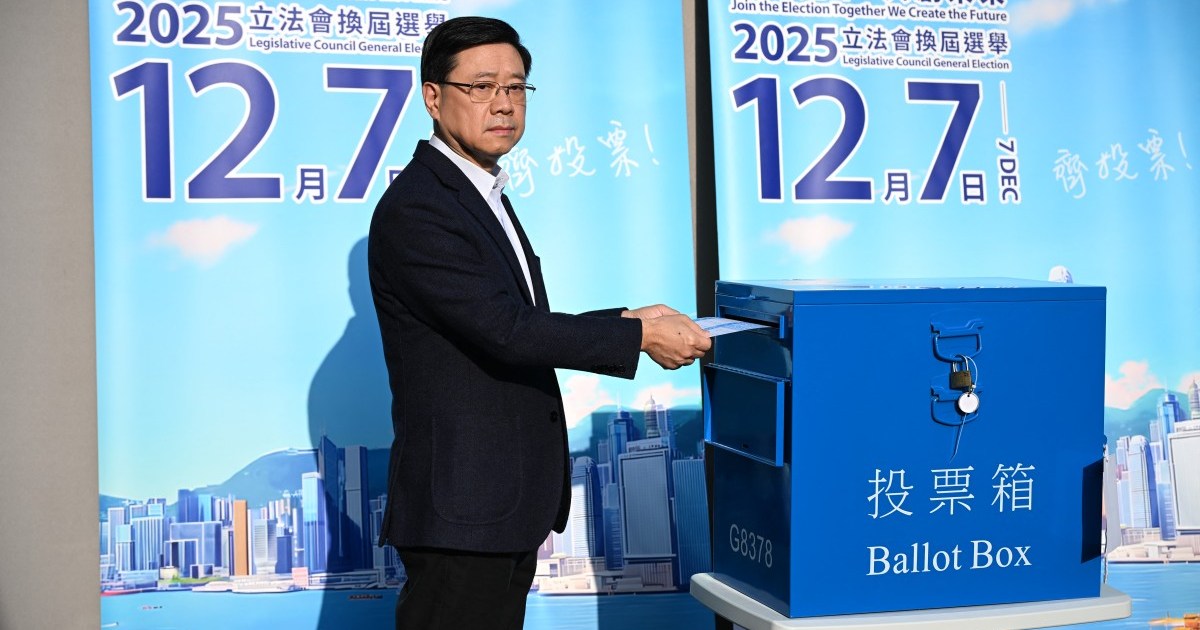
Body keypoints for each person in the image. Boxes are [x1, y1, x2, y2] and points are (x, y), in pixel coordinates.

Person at [367, 16, 711, 630]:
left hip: (497, 507)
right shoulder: (420, 207)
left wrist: (627, 318)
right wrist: (638, 337)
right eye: (482, 86)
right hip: (464, 512)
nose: (503, 104)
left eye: (516, 87)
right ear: (433, 97)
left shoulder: (480, 192)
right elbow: (506, 331)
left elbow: (516, 320)